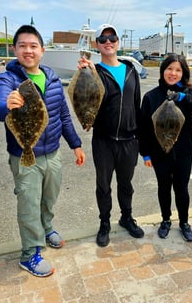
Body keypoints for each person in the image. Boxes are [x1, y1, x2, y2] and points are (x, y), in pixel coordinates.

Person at [0, 25, 85, 277]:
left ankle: (47, 228)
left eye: (33, 46)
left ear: (42, 51)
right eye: (22, 46)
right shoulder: (8, 79)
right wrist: (6, 105)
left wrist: (75, 144)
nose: (28, 50)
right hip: (25, 154)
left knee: (49, 197)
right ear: (15, 50)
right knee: (29, 204)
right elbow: (0, 108)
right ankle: (29, 254)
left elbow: (63, 115)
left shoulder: (52, 77)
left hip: (53, 152)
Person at [78, 23, 144, 247]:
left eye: (112, 38)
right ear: (97, 44)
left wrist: (141, 143)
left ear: (118, 42)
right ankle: (104, 223)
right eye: (103, 39)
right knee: (103, 185)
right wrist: (85, 72)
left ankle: (127, 217)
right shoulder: (93, 71)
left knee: (126, 184)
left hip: (129, 140)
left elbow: (137, 106)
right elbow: (85, 99)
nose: (108, 42)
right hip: (103, 141)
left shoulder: (131, 70)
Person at [139, 54, 192, 241]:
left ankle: (184, 222)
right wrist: (145, 154)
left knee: (182, 188)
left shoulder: (189, 91)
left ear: (183, 73)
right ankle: (165, 220)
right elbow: (144, 128)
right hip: (159, 152)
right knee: (164, 187)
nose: (173, 73)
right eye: (169, 69)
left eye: (178, 70)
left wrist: (185, 97)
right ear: (163, 71)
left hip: (183, 152)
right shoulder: (151, 96)